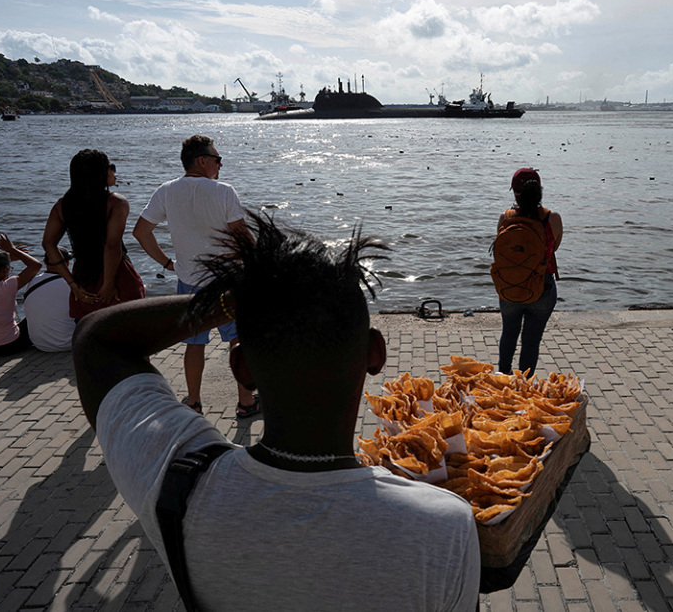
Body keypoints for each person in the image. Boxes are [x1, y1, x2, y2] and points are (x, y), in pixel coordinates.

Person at [73, 214, 482, 611]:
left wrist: (233, 301)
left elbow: (95, 338)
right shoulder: (442, 529)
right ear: (375, 353)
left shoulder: (176, 483)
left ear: (242, 370)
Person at [133, 134, 258, 418]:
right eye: (217, 159)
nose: (220, 165)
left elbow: (140, 232)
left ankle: (193, 402)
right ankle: (245, 401)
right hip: (226, 281)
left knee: (194, 343)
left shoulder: (166, 191)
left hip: (189, 280)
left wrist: (168, 264)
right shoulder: (224, 191)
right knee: (237, 340)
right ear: (202, 160)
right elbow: (242, 236)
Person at [42, 149, 146, 321]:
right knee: (128, 328)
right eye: (110, 167)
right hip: (117, 275)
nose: (114, 172)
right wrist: (108, 284)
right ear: (99, 173)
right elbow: (111, 246)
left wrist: (72, 284)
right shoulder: (116, 202)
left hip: (83, 279)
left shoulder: (62, 205)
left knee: (88, 331)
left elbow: (48, 244)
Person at [495, 168, 563, 375]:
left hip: (510, 287)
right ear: (539, 190)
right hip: (542, 286)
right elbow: (554, 248)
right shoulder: (552, 218)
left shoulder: (506, 218)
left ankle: (503, 379)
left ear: (515, 192)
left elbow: (503, 252)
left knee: (509, 334)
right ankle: (524, 385)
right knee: (531, 341)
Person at [23, 248, 77, 352]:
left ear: (44, 261)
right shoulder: (72, 285)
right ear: (67, 263)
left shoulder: (33, 281)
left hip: (39, 344)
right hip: (69, 343)